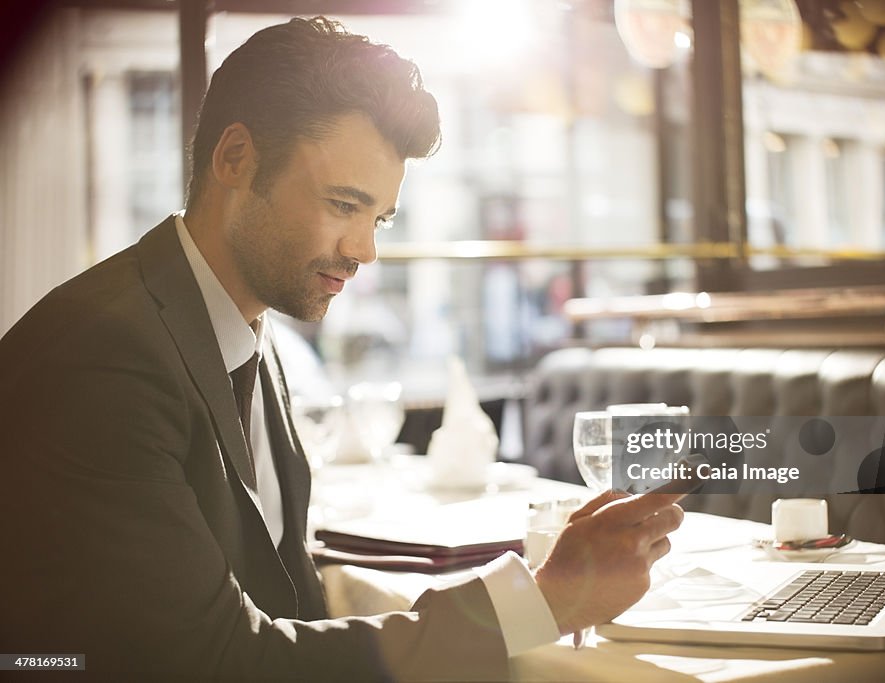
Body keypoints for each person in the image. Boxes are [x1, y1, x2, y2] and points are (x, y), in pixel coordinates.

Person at [0, 17, 684, 681]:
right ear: (235, 158)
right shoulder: (106, 359)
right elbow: (214, 661)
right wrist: (542, 600)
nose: (365, 251)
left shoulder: (244, 334)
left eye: (377, 217)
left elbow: (281, 601)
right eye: (343, 204)